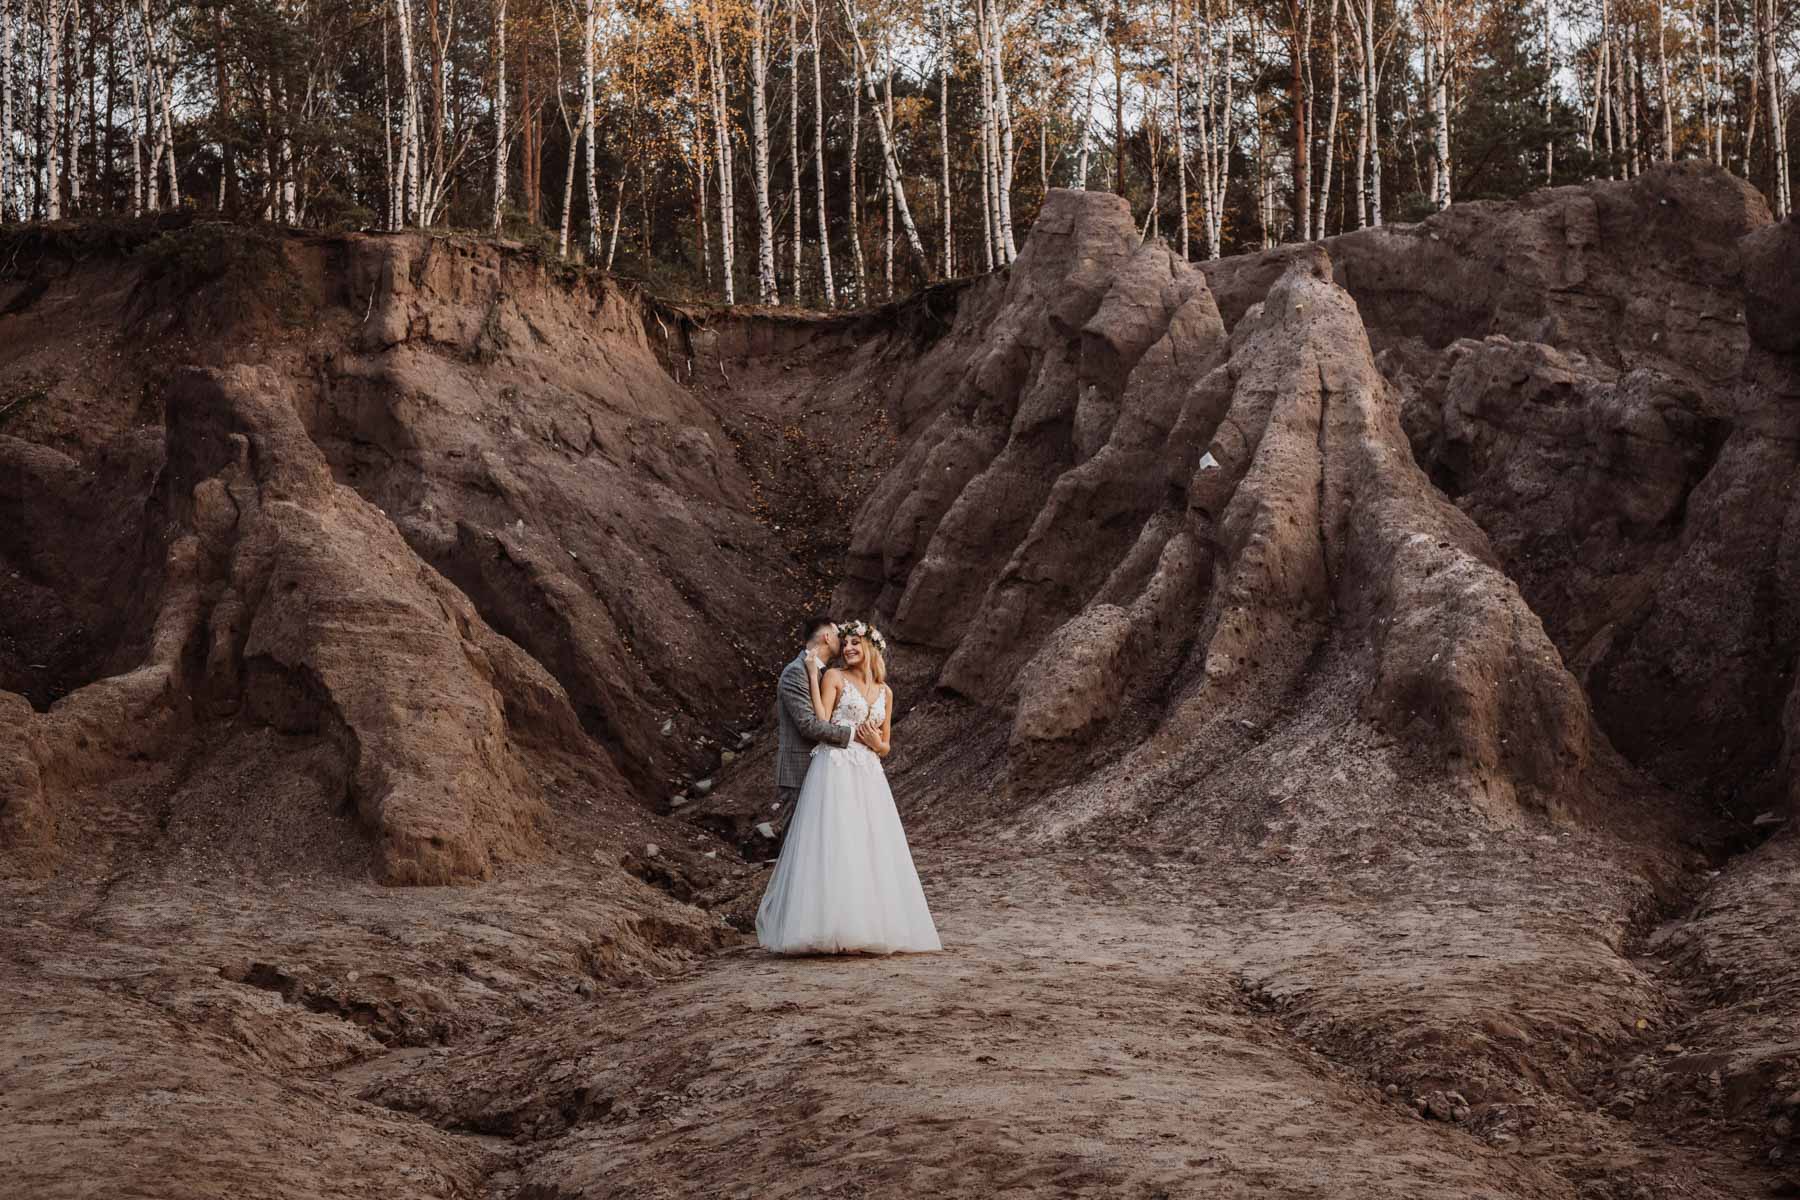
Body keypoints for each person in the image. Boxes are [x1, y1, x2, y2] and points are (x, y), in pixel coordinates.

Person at [756, 620, 942, 955]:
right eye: (847, 644)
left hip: (868, 771)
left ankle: (867, 925)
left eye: (856, 643)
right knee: (831, 843)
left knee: (867, 844)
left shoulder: (886, 691)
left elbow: (885, 745)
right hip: (836, 765)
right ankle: (820, 927)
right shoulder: (830, 676)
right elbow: (819, 723)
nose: (849, 648)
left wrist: (876, 744)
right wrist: (817, 680)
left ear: (872, 648)